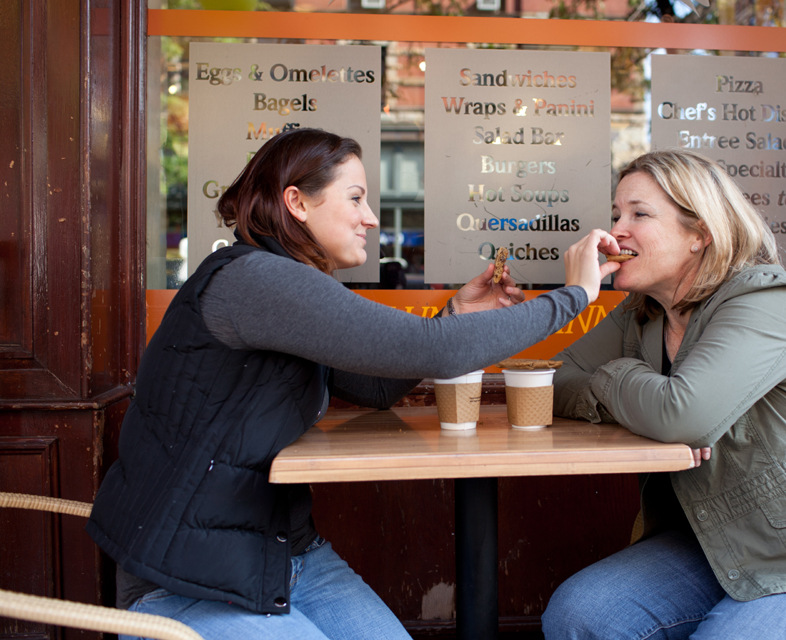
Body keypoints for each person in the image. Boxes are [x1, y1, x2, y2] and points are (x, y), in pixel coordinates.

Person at [86, 128, 620, 640]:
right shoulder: (256, 280)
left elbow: (375, 386)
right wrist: (575, 295)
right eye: (356, 198)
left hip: (281, 554)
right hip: (186, 576)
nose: (370, 218)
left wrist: (455, 311)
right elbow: (431, 351)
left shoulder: (285, 283)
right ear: (296, 202)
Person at [541, 149, 786, 640]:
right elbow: (551, 380)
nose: (614, 233)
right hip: (708, 547)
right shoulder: (643, 313)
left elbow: (682, 417)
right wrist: (633, 389)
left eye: (639, 214)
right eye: (615, 215)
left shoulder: (764, 300)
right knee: (579, 614)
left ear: (700, 234)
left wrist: (614, 376)